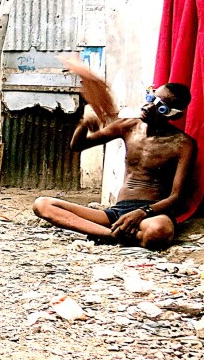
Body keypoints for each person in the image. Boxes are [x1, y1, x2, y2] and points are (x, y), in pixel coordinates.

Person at [32, 56, 195, 250]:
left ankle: (106, 233)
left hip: (150, 215)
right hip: (115, 212)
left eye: (159, 105)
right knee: (42, 205)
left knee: (159, 232)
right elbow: (78, 146)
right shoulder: (129, 127)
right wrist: (84, 124)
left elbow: (176, 196)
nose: (148, 106)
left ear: (172, 114)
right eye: (150, 97)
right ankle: (111, 235)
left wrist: (142, 213)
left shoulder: (183, 144)